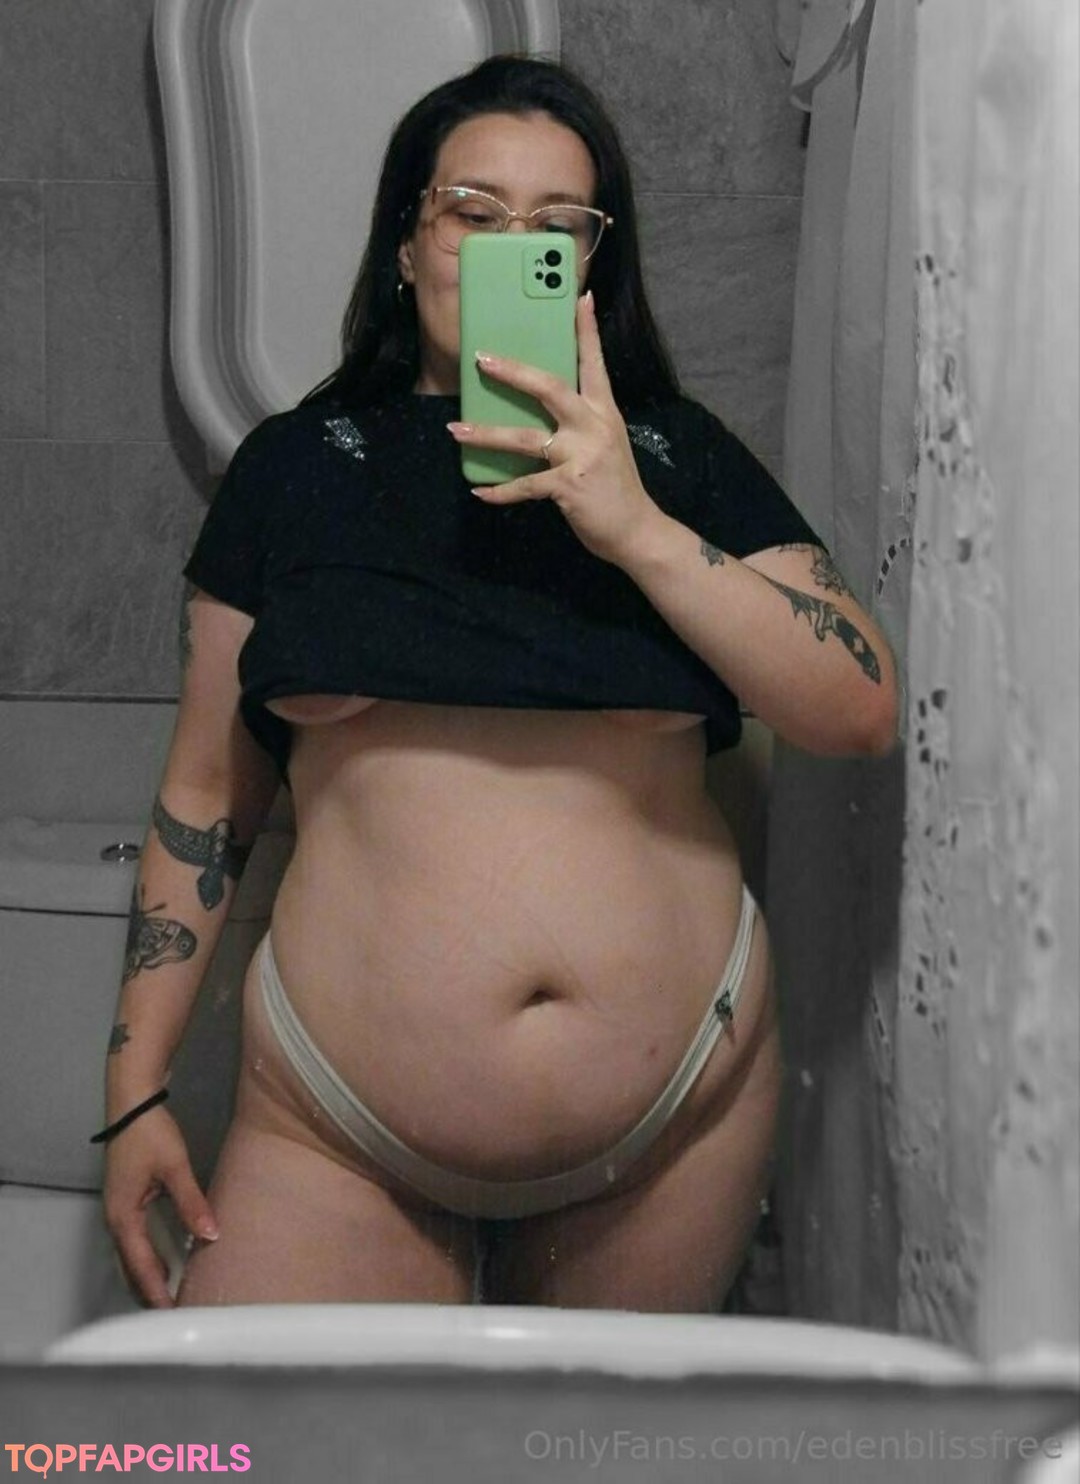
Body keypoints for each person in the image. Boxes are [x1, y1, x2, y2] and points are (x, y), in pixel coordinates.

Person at [98, 56, 897, 1313]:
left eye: (554, 226)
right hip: (336, 1131)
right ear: (407, 244)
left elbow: (858, 705)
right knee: (244, 1420)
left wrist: (635, 527)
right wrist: (134, 1087)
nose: (509, 248)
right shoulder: (294, 467)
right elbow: (204, 795)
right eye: (472, 211)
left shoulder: (677, 456)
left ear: (588, 269)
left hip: (672, 1125)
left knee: (590, 1428)